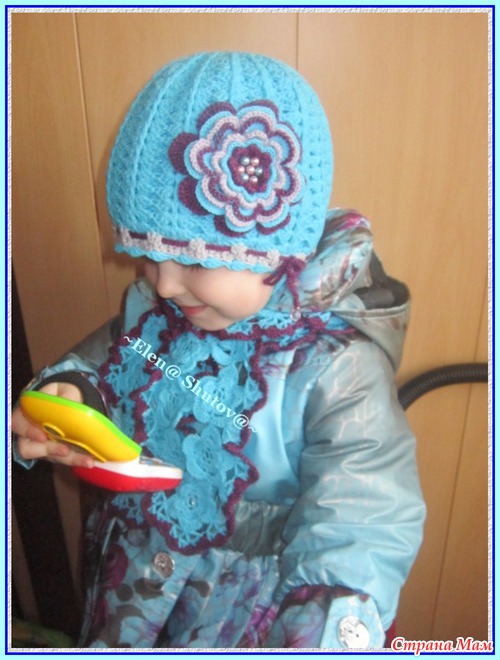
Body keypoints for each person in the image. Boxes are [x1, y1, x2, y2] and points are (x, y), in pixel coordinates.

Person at [13, 51, 425, 649]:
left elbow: (363, 520)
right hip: (131, 592)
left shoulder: (337, 368)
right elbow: (99, 366)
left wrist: (326, 627)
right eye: (148, 255)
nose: (163, 284)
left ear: (279, 252)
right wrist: (69, 396)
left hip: (248, 617)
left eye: (196, 261)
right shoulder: (156, 315)